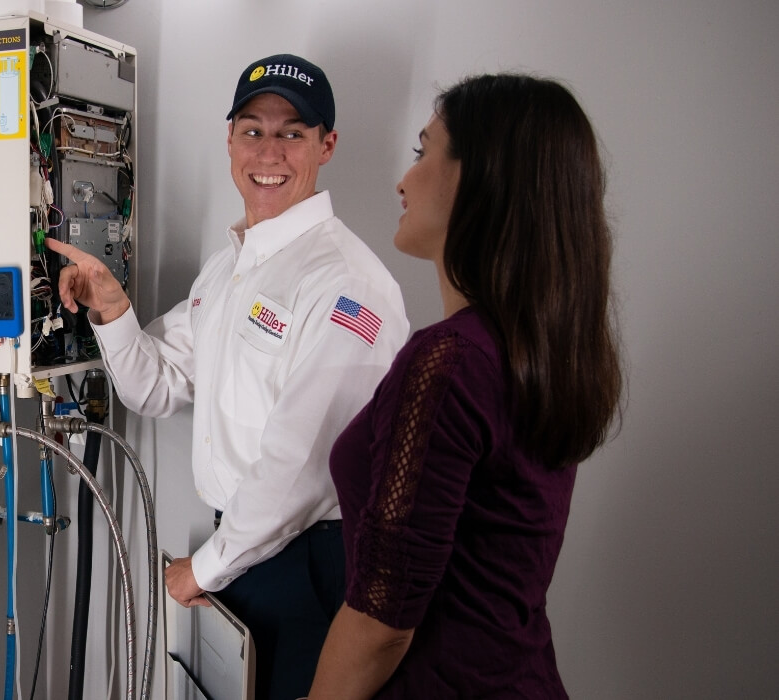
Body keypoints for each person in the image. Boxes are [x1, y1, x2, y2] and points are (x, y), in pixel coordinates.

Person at [48, 53, 408, 699]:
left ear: (326, 146)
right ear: (230, 141)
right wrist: (110, 308)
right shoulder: (231, 268)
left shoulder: (344, 284)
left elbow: (304, 464)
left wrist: (206, 569)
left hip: (309, 558)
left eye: (291, 133)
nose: (268, 151)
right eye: (253, 130)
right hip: (247, 547)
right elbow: (154, 388)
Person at [306, 74, 623, 699]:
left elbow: (381, 624)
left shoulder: (448, 362)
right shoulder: (534, 347)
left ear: (481, 179)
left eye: (424, 153)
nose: (403, 179)